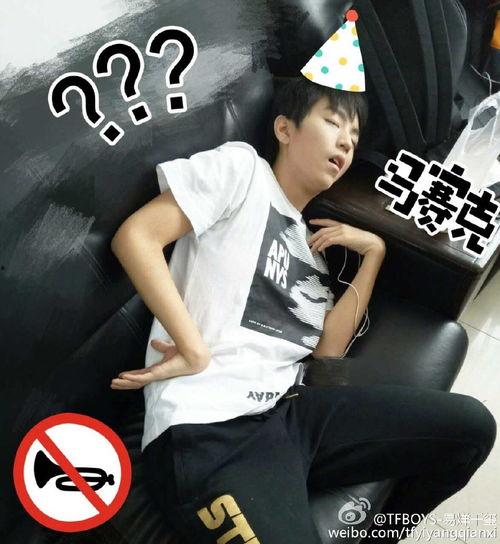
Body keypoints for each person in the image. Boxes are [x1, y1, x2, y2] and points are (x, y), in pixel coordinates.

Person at [109, 77, 497, 544]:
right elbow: (138, 236)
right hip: (208, 430)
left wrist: (374, 254)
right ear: (285, 129)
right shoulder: (242, 170)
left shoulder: (313, 255)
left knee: (472, 429)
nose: (345, 143)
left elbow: (328, 350)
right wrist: (194, 349)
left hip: (292, 416)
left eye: (353, 137)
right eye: (333, 122)